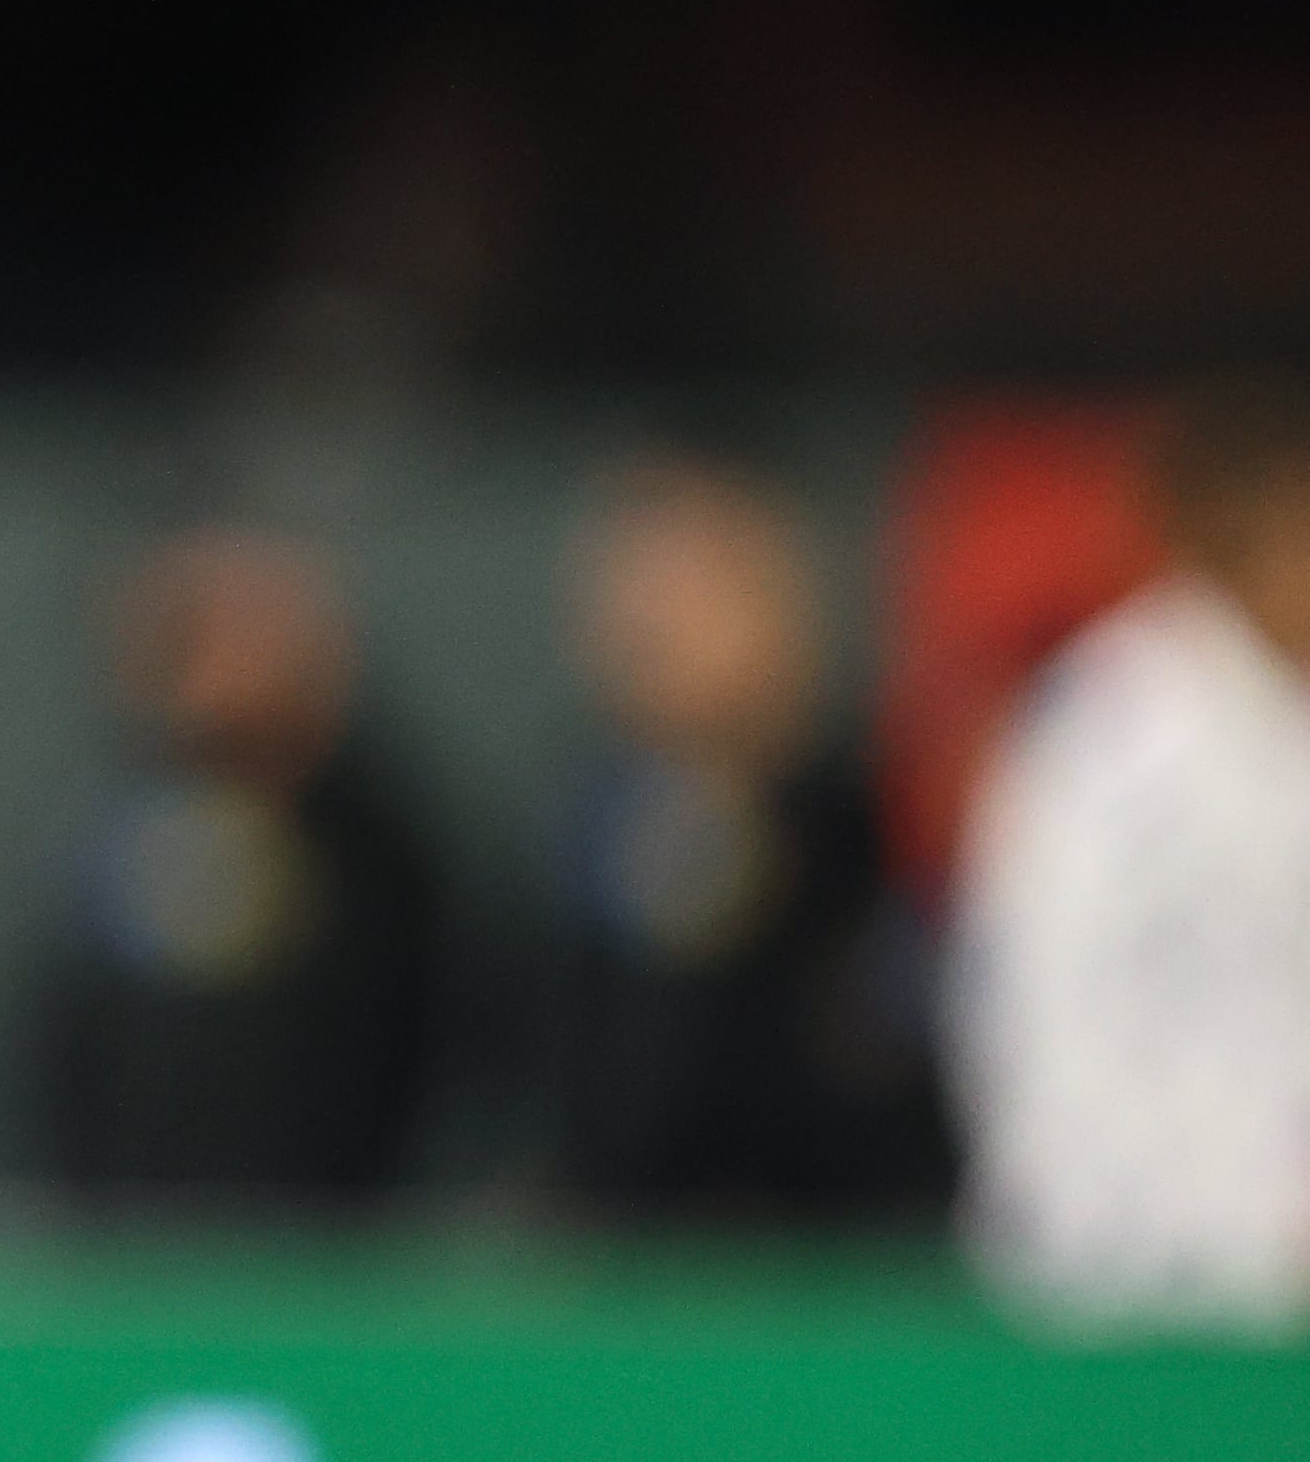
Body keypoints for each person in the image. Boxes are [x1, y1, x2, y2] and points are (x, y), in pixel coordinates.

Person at [954, 361, 1310, 1326]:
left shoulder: (1285, 718)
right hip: (1129, 1289)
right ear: (1238, 533)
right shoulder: (1117, 730)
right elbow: (1040, 1020)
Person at [545, 456, 946, 1217]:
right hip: (619, 1307)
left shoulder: (882, 839)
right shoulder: (581, 832)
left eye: (701, 584)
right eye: (635, 589)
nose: (654, 623)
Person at [14, 525, 443, 1201]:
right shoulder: (99, 839)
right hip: (131, 1266)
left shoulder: (388, 853)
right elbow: (52, 1072)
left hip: (343, 1269)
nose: (223, 662)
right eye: (187, 634)